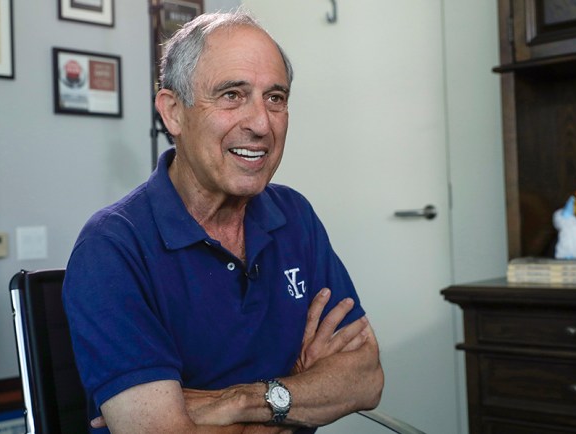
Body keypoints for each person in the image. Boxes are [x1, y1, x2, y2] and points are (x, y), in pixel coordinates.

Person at [62, 9, 383, 434]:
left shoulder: (294, 216)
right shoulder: (112, 247)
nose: (261, 124)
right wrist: (299, 388)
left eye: (276, 98)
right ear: (173, 112)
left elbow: (365, 379)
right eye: (232, 95)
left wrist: (235, 402)